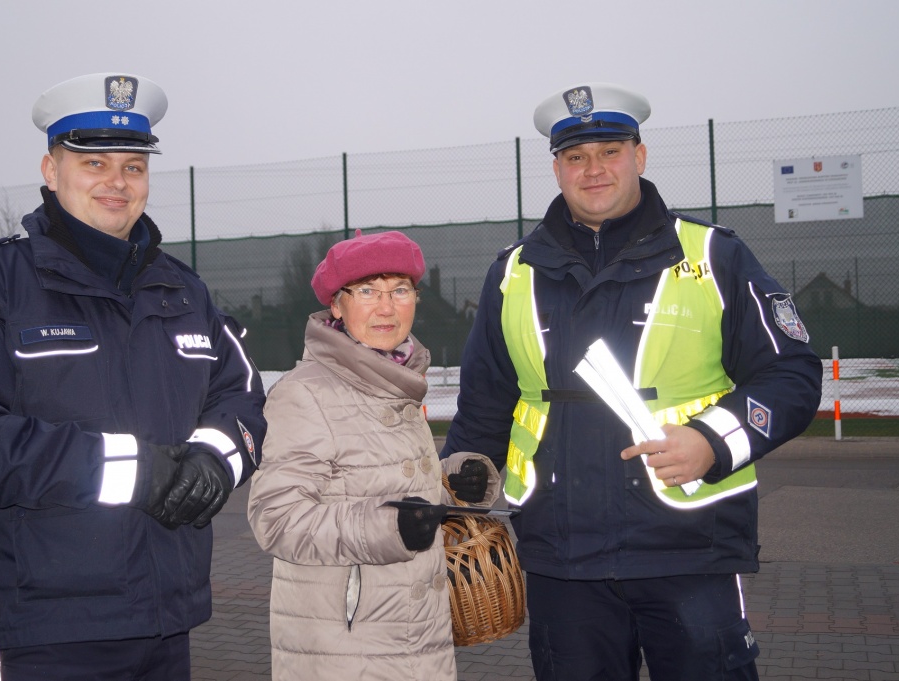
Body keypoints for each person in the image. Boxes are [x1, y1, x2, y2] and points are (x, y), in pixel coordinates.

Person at [440, 82, 822, 681]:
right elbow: (483, 403)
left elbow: (792, 373)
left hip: (689, 547)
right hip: (561, 559)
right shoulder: (512, 273)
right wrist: (459, 509)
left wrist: (712, 440)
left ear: (639, 156)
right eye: (575, 157)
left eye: (609, 152)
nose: (593, 170)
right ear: (557, 168)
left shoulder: (716, 256)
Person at [0, 72, 267, 681]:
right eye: (93, 162)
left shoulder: (184, 290)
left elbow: (241, 395)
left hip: (166, 616)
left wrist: (213, 460)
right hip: (47, 628)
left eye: (133, 166)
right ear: (51, 169)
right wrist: (138, 472)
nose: (116, 182)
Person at [246, 230, 499, 681]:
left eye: (399, 290)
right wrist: (387, 527)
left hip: (418, 636)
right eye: (367, 291)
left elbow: (380, 478)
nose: (387, 307)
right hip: (347, 650)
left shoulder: (396, 378)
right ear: (337, 307)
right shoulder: (306, 393)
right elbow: (276, 518)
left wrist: (454, 480)